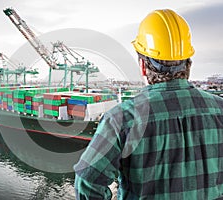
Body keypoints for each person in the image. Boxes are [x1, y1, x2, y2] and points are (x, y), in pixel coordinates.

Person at [74, 9, 223, 199]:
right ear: (188, 64)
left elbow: (87, 183)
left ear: (143, 66)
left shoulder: (122, 119)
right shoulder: (220, 109)